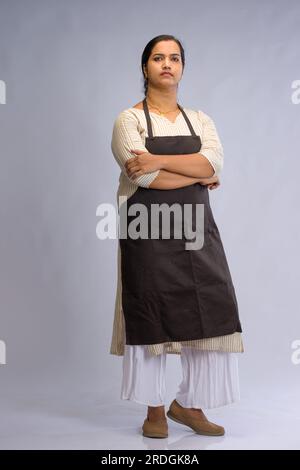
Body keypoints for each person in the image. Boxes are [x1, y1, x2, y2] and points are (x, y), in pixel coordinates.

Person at [110, 34, 244, 438]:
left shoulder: (200, 120)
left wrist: (163, 158)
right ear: (145, 67)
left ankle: (188, 405)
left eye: (174, 58)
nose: (166, 64)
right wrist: (196, 172)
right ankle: (154, 410)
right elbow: (144, 176)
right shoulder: (128, 120)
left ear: (182, 67)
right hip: (146, 230)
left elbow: (214, 162)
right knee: (150, 311)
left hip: (196, 231)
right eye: (157, 58)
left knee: (209, 308)